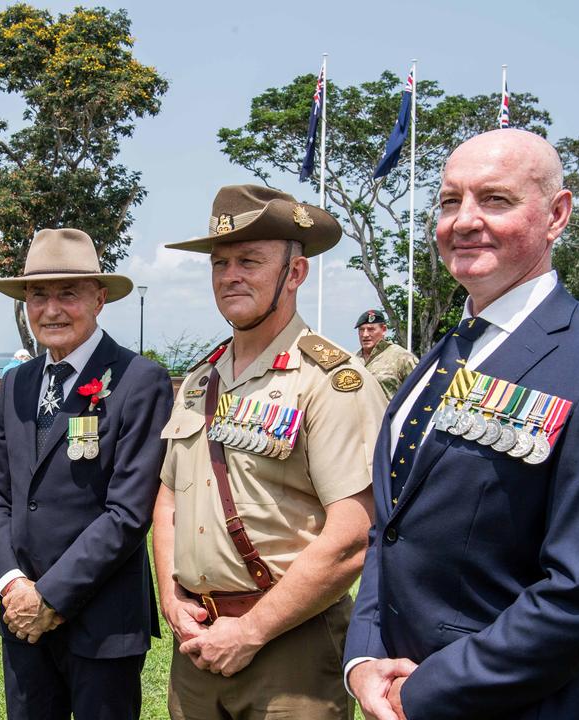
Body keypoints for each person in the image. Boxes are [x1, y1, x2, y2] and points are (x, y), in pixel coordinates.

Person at [345, 129, 579, 720]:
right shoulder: (443, 355)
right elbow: (392, 533)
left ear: (557, 215)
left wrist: (427, 690)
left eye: (494, 199)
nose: (464, 220)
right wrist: (365, 659)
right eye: (450, 201)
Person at [153, 184, 386, 719]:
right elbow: (168, 499)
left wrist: (250, 631)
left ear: (295, 273)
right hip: (197, 643)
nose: (230, 275)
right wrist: (171, 596)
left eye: (250, 261)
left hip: (290, 646)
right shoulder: (198, 381)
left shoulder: (332, 382)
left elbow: (353, 536)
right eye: (221, 262)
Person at [0, 228, 174, 719]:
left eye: (69, 293)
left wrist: (50, 596)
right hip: (20, 618)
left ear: (100, 299)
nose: (51, 309)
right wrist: (12, 585)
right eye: (38, 294)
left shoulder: (139, 381)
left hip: (102, 623)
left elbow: (128, 513)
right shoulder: (17, 382)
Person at [354, 309, 418, 400]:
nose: (365, 334)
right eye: (361, 330)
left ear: (383, 330)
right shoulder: (352, 360)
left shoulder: (402, 357)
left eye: (371, 329)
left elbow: (420, 391)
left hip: (387, 413)